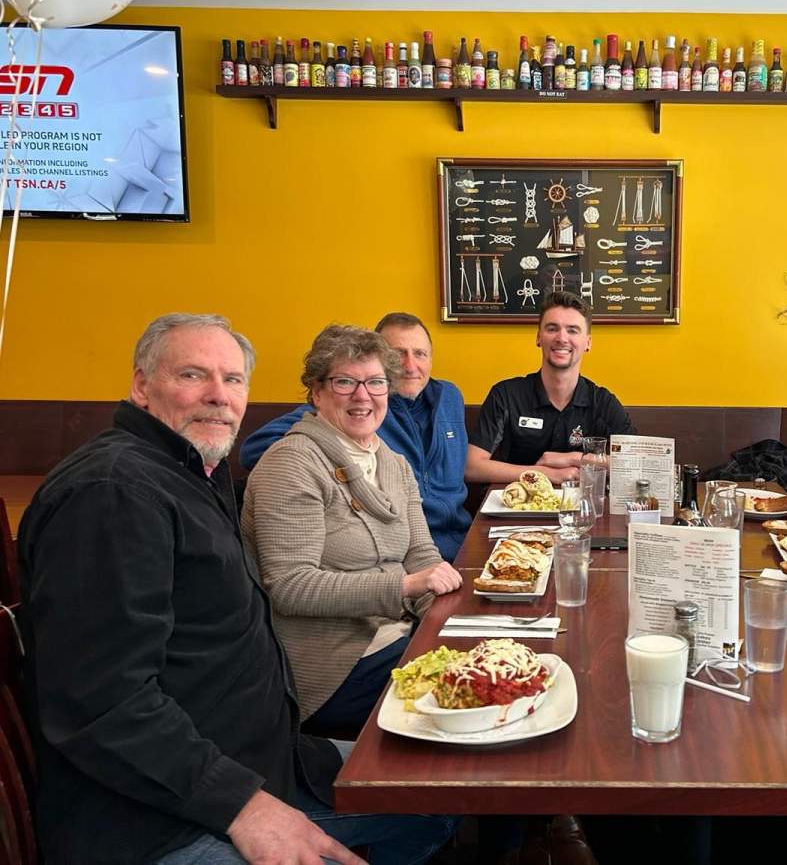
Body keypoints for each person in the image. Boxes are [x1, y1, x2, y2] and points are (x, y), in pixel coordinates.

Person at [17, 313, 456, 865]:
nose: (218, 396)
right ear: (141, 385)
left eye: (233, 379)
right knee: (444, 783)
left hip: (265, 759)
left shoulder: (189, 472)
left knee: (444, 795)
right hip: (162, 819)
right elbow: (103, 703)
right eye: (192, 375)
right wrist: (243, 807)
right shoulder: (112, 494)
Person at [242, 324, 463, 735]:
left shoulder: (393, 462)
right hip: (332, 669)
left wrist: (446, 626)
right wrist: (406, 586)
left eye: (376, 382)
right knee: (475, 700)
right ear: (317, 391)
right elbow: (290, 587)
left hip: (398, 637)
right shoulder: (291, 463)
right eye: (345, 382)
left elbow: (421, 554)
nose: (363, 396)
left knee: (498, 666)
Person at [240, 312, 471, 562]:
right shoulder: (355, 409)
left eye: (420, 354)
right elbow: (259, 449)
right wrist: (353, 478)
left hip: (457, 536)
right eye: (398, 355)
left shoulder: (449, 397)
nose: (410, 365)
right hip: (400, 545)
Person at [466, 291, 635, 484]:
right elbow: (471, 467)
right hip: (518, 502)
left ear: (587, 343)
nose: (562, 338)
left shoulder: (603, 402)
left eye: (573, 330)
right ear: (539, 337)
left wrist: (574, 458)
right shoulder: (505, 395)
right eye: (552, 328)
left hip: (584, 503)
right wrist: (544, 474)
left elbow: (636, 464)